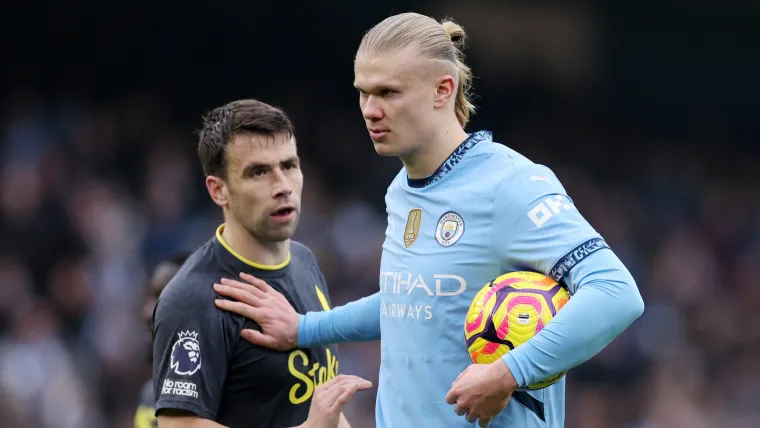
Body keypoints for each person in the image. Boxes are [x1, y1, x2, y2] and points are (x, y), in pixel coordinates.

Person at [214, 13, 645, 428]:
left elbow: (615, 293)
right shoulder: (401, 189)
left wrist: (509, 371)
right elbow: (413, 303)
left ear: (443, 90)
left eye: (388, 93)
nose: (369, 110)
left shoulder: (512, 185)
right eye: (363, 92)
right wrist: (305, 328)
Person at [151, 99, 371, 428]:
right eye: (258, 172)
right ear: (218, 190)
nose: (282, 186)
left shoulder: (305, 261)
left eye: (289, 165)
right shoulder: (193, 297)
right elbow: (180, 425)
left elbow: (324, 406)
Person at [134, 252, 190, 428]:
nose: (147, 312)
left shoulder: (230, 396)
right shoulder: (149, 396)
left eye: (163, 297)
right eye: (150, 296)